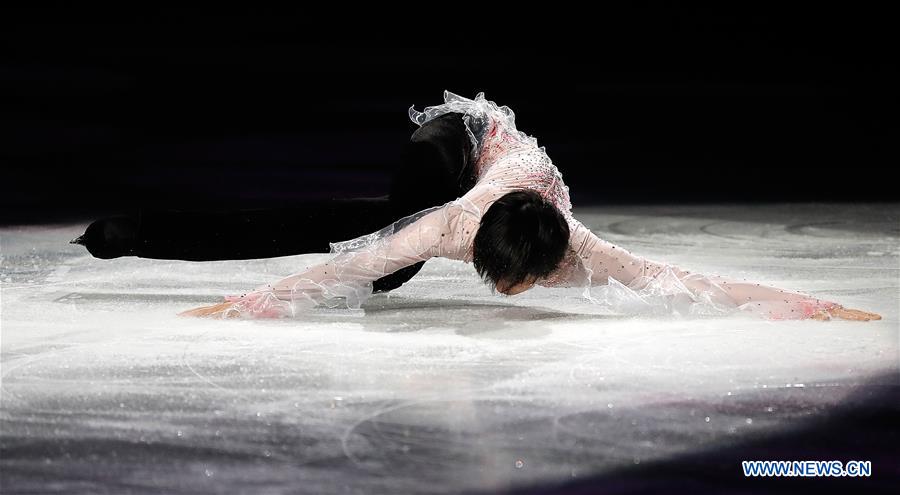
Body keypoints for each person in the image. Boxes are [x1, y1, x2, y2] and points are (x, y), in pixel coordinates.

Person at [91, 91, 882, 321]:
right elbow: (351, 267)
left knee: (370, 251)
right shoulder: (453, 224)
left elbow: (688, 280)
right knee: (371, 253)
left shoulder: (583, 247)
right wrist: (246, 304)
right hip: (447, 143)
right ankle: (137, 232)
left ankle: (133, 229)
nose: (507, 291)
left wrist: (813, 304)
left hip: (498, 163)